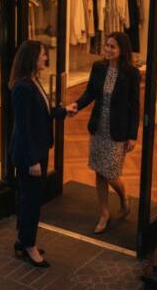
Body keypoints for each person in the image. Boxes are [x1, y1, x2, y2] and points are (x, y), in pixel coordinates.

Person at [67, 32, 140, 234]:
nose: (108, 49)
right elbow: (90, 92)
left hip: (118, 130)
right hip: (99, 126)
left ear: (122, 50)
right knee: (99, 171)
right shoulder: (98, 67)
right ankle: (105, 213)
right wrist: (76, 105)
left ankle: (123, 197)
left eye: (112, 47)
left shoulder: (132, 73)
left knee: (110, 173)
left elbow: (135, 106)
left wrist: (132, 135)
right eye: (107, 45)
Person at [9, 40, 66, 268]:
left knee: (30, 199)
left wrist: (63, 111)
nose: (45, 58)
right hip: (29, 154)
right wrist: (32, 160)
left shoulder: (33, 81)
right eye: (42, 55)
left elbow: (42, 113)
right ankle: (29, 245)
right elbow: (23, 128)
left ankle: (23, 241)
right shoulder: (23, 87)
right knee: (31, 201)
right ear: (32, 58)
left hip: (37, 150)